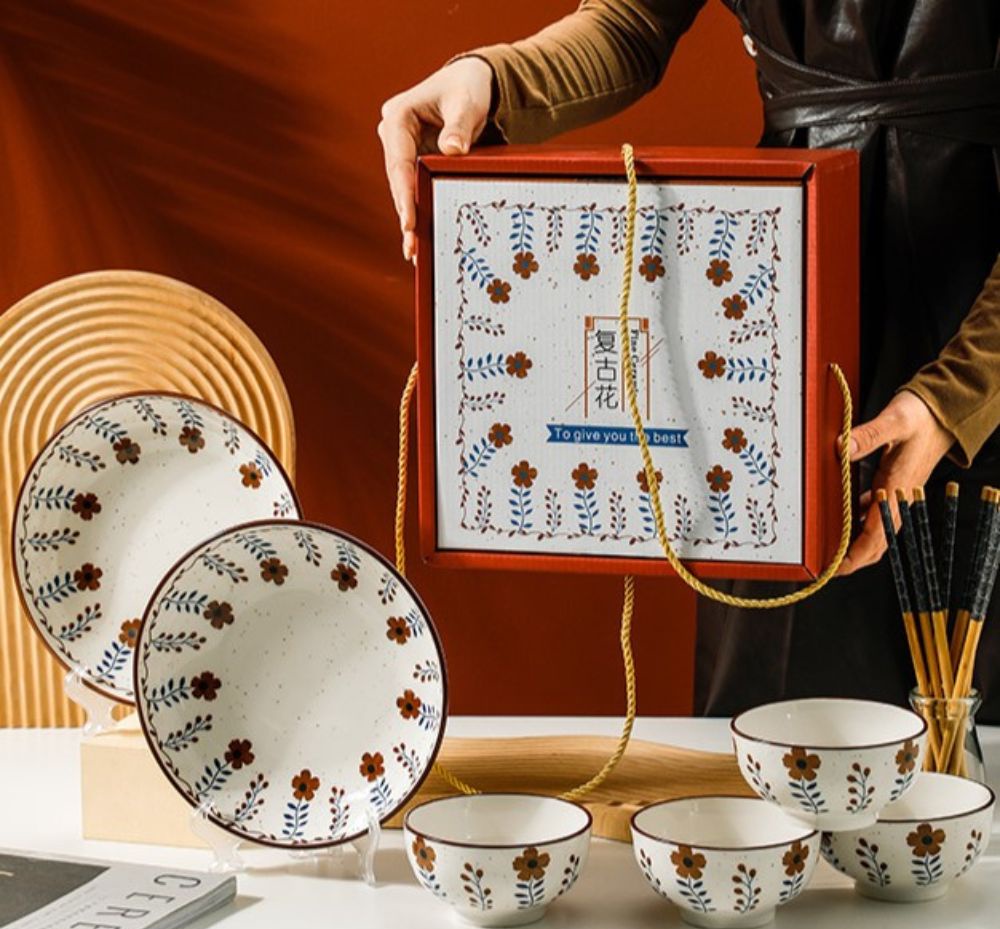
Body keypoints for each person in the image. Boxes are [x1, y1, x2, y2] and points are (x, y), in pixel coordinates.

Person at [378, 1, 1000, 720]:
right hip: (779, 291)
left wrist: (957, 398)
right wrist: (493, 78)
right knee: (777, 723)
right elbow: (633, 22)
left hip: (981, 310)